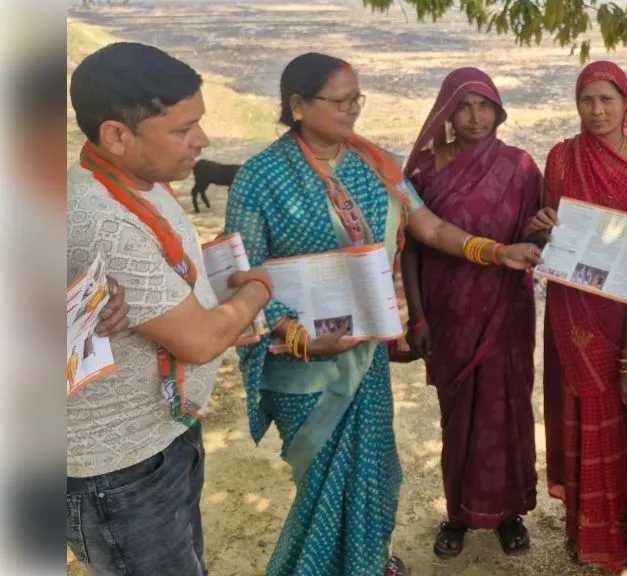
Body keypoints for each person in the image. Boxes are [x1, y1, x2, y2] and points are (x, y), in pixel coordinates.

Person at [224, 53, 541, 576]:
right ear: (298, 105)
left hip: (363, 356)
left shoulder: (375, 165)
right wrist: (299, 338)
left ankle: (368, 562)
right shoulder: (259, 178)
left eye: (357, 99)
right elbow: (240, 274)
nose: (352, 110)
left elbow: (432, 229)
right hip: (304, 364)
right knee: (322, 486)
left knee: (375, 472)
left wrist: (495, 251)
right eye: (340, 101)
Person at [66, 43, 275, 576]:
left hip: (165, 429)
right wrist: (255, 291)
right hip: (120, 469)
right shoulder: (105, 220)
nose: (201, 142)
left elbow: (166, 271)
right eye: (184, 129)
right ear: (116, 134)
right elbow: (200, 342)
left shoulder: (141, 181)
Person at [526, 61, 627, 572]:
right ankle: (585, 529)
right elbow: (553, 232)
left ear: (626, 103)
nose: (596, 111)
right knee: (580, 414)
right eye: (586, 100)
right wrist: (544, 228)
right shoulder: (562, 157)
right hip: (576, 310)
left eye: (607, 100)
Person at [397, 68, 543, 558]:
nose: (476, 117)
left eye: (486, 106)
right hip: (449, 313)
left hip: (507, 310)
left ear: (500, 111)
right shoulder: (424, 170)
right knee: (457, 417)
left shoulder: (521, 167)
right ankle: (458, 513)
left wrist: (543, 234)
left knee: (508, 412)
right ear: (446, 112)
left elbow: (537, 235)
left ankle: (509, 513)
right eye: (465, 106)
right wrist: (417, 319)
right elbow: (413, 247)